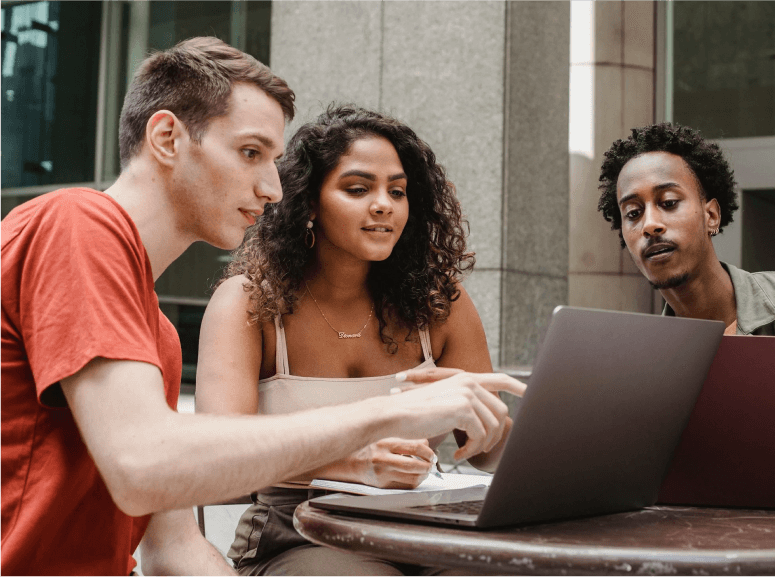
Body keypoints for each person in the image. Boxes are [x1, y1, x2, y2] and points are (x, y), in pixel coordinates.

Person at [0, 38, 523, 577]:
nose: (274, 188)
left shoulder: (156, 335)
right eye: (251, 153)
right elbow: (143, 464)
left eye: (274, 161)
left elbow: (174, 551)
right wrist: (390, 414)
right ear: (166, 137)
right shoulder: (75, 222)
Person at [195, 104, 508, 576]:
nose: (383, 204)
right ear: (309, 203)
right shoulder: (248, 301)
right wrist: (350, 461)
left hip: (425, 533)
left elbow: (487, 454)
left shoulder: (439, 304)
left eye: (397, 191)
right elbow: (216, 456)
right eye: (358, 189)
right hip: (295, 535)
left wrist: (494, 429)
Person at [596, 122, 775, 503]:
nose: (650, 224)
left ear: (711, 217)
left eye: (668, 203)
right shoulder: (639, 368)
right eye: (633, 213)